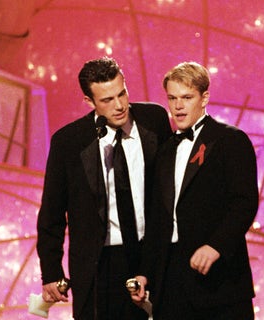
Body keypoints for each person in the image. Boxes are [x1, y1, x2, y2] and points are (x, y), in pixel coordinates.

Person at [36, 56, 172, 319]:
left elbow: (170, 190)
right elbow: (52, 213)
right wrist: (51, 271)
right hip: (101, 265)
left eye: (122, 94)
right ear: (90, 102)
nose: (120, 105)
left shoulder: (154, 119)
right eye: (107, 100)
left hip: (151, 254)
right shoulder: (69, 142)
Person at [131, 61, 259, 319]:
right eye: (172, 98)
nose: (178, 106)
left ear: (204, 98)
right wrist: (145, 272)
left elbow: (244, 203)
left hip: (219, 282)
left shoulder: (230, 141)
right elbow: (158, 217)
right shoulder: (165, 150)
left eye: (187, 97)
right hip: (171, 285)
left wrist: (215, 246)